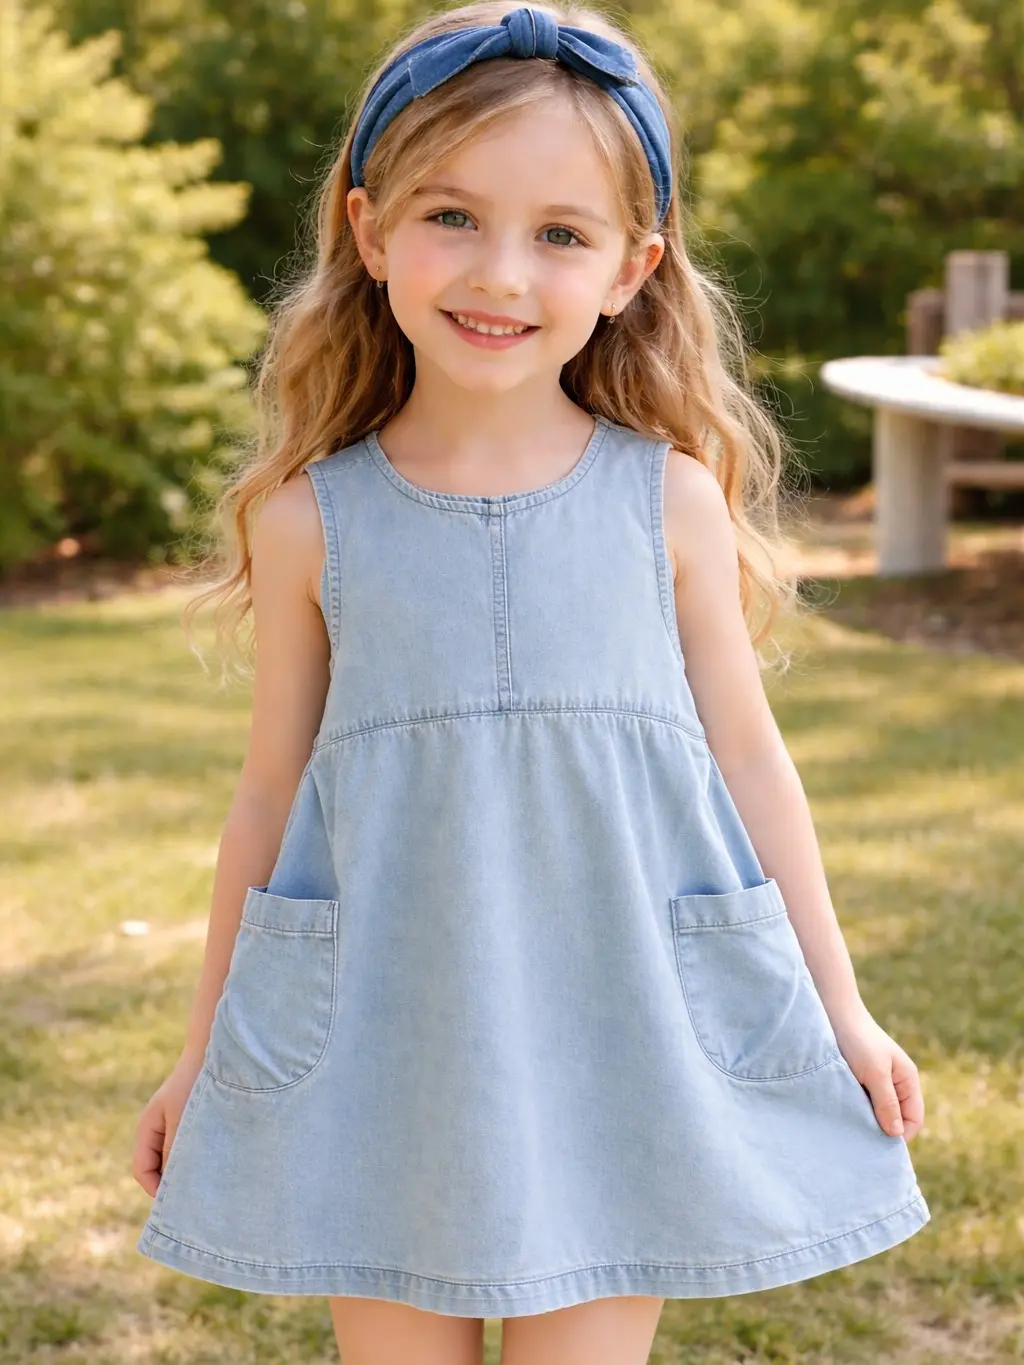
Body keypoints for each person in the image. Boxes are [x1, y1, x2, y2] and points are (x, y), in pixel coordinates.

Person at [131, 3, 930, 1362]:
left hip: (622, 1034)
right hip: (385, 1039)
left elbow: (752, 762)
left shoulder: (668, 502)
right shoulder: (311, 520)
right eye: (452, 216)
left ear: (632, 269)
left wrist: (839, 1009)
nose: (501, 273)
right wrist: (203, 1049)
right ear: (370, 230)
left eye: (561, 233)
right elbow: (266, 797)